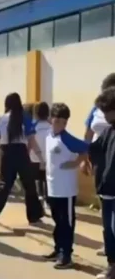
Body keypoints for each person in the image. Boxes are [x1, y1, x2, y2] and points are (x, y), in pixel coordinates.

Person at [0, 92, 45, 229]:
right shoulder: (25, 117)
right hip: (21, 152)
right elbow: (31, 140)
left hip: (6, 152)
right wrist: (39, 157)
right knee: (29, 185)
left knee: (4, 185)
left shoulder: (1, 119)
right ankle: (34, 216)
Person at [41, 103, 89, 270]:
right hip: (52, 187)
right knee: (57, 221)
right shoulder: (48, 137)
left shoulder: (66, 138)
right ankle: (58, 249)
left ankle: (66, 255)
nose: (61, 125)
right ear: (50, 120)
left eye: (64, 122)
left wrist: (77, 162)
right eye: (57, 121)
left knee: (67, 223)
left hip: (66, 190)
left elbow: (86, 149)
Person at [82, 73, 115, 258]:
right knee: (105, 205)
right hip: (100, 162)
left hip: (113, 161)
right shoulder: (96, 108)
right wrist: (85, 157)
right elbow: (87, 133)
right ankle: (108, 243)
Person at [88, 87, 115, 279]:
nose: (105, 115)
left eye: (108, 111)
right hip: (106, 191)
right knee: (109, 230)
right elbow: (93, 149)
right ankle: (112, 266)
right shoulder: (108, 131)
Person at [31, 102, 52, 204]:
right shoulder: (52, 127)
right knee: (47, 180)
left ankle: (39, 199)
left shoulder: (32, 127)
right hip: (49, 159)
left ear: (35, 113)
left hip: (34, 158)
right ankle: (48, 201)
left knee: (37, 180)